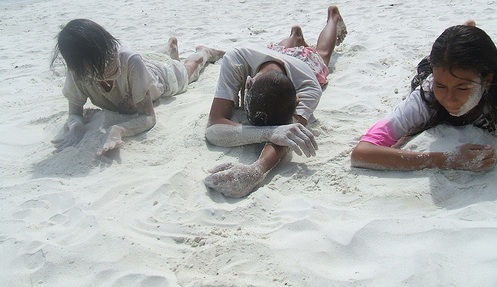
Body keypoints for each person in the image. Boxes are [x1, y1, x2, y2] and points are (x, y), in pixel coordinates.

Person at [204, 6, 348, 198]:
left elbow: (290, 133)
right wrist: (270, 132)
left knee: (321, 54)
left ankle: (333, 18)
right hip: (269, 53)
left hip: (307, 66)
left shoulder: (309, 87)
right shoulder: (236, 58)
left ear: (297, 99)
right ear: (249, 82)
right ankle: (295, 35)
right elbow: (214, 127)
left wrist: (258, 169)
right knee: (281, 51)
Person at [50, 19, 224, 156]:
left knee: (187, 71)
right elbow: (74, 113)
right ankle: (169, 48)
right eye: (102, 65)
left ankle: (204, 51)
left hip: (160, 77)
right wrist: (76, 126)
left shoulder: (126, 59)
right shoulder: (76, 73)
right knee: (145, 59)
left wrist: (118, 129)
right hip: (141, 65)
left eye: (109, 55)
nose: (111, 65)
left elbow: (148, 117)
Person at [351, 22, 497, 171]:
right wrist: (446, 160)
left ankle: (469, 30)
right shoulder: (426, 98)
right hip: (427, 70)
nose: (449, 98)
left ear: (487, 81)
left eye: (462, 88)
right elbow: (362, 153)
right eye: (441, 86)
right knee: (430, 65)